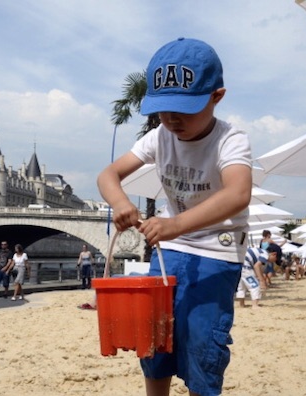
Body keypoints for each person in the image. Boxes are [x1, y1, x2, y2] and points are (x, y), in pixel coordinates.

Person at [97, 38, 252, 396]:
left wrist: (175, 224)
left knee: (202, 340)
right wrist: (120, 203)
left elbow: (237, 193)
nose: (171, 118)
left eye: (184, 108)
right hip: (170, 250)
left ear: (217, 96)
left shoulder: (231, 139)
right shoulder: (159, 136)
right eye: (163, 109)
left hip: (218, 250)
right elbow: (108, 175)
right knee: (154, 336)